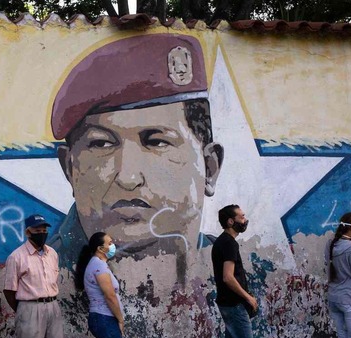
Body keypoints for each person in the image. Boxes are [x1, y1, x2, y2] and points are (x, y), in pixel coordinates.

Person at [50, 34, 223, 279]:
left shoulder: (248, 274)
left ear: (210, 168)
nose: (128, 177)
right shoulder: (46, 275)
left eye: (157, 142)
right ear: (69, 168)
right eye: (101, 144)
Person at [211, 205, 276, 338]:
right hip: (235, 305)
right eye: (241, 216)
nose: (244, 219)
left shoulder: (222, 242)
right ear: (231, 221)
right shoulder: (228, 244)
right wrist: (248, 297)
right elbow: (228, 277)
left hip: (227, 304)